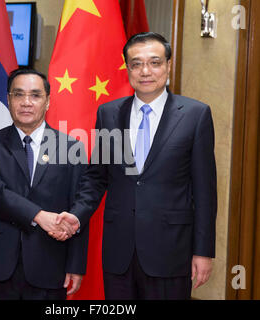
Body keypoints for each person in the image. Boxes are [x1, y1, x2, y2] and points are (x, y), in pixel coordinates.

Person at [55, 32, 217, 300]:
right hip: (119, 252)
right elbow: (97, 178)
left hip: (170, 251)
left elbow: (204, 191)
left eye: (154, 62)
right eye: (136, 63)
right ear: (127, 68)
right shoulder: (108, 113)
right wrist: (77, 214)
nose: (145, 71)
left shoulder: (195, 115)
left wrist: (203, 251)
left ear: (167, 65)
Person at [0, 68, 88, 300]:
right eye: (19, 94)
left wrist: (76, 264)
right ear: (9, 100)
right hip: (1, 264)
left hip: (51, 262)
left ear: (47, 102)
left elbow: (79, 207)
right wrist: (39, 216)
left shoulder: (71, 148)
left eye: (35, 95)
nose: (26, 102)